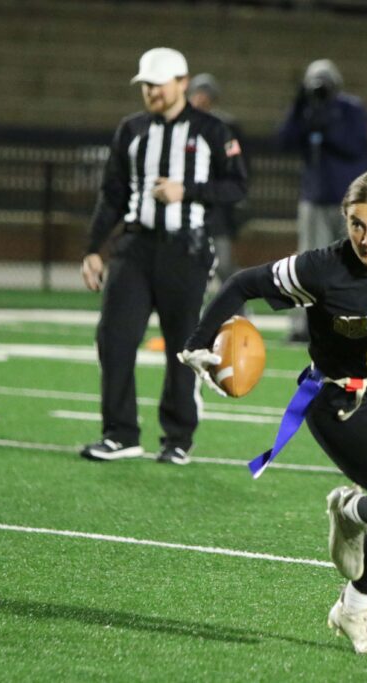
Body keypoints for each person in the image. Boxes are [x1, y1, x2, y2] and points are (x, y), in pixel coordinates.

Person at [179, 170, 367, 657]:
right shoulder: (321, 268)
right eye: (357, 225)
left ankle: (353, 606)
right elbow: (240, 284)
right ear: (345, 221)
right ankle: (352, 514)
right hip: (336, 404)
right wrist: (196, 345)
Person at [79, 47, 248, 466]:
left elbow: (237, 187)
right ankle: (120, 433)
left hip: (186, 249)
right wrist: (93, 249)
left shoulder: (212, 130)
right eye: (146, 85)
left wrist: (187, 191)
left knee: (183, 345)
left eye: (158, 83)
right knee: (114, 339)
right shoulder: (131, 130)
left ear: (182, 82)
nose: (151, 91)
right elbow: (112, 195)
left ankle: (178, 437)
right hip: (134, 248)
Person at [277, 58, 367, 341]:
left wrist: (327, 121)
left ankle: (356, 325)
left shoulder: (350, 109)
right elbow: (283, 141)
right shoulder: (306, 111)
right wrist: (298, 106)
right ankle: (305, 326)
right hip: (314, 198)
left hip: (348, 201)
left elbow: (355, 145)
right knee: (309, 266)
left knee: (353, 264)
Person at [188, 72, 250, 283]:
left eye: (206, 95)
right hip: (189, 201)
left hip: (217, 203)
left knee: (223, 264)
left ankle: (236, 307)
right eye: (198, 94)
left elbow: (238, 163)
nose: (201, 99)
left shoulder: (226, 127)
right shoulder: (181, 126)